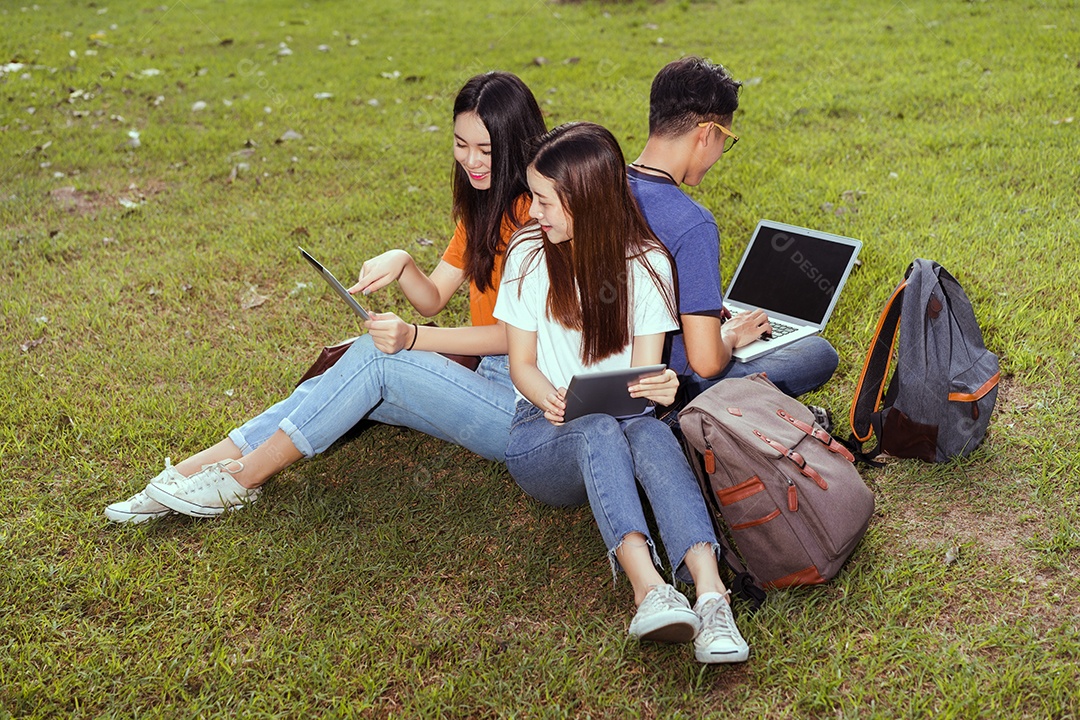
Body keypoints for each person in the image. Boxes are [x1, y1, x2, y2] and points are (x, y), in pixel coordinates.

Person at [105, 71, 547, 522]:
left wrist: (413, 337)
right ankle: (186, 474)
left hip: (523, 409)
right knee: (337, 380)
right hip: (487, 382)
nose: (471, 160)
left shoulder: (537, 221)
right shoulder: (484, 207)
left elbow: (509, 338)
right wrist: (403, 263)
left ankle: (241, 479)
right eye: (460, 144)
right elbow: (432, 299)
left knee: (375, 358)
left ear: (515, 144)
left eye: (485, 150)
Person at [494, 122, 749, 664]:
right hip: (541, 435)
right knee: (598, 428)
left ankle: (711, 595)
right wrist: (549, 397)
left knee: (649, 432)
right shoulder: (528, 255)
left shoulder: (647, 264)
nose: (533, 212)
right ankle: (648, 588)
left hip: (626, 426)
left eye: (544, 201)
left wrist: (662, 385)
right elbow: (521, 365)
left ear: (586, 201)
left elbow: (640, 382)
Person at [626, 57, 839, 426]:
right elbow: (707, 362)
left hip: (610, 368)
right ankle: (705, 418)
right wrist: (729, 335)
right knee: (818, 354)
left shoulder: (603, 185)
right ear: (707, 133)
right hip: (672, 389)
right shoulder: (692, 223)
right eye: (726, 139)